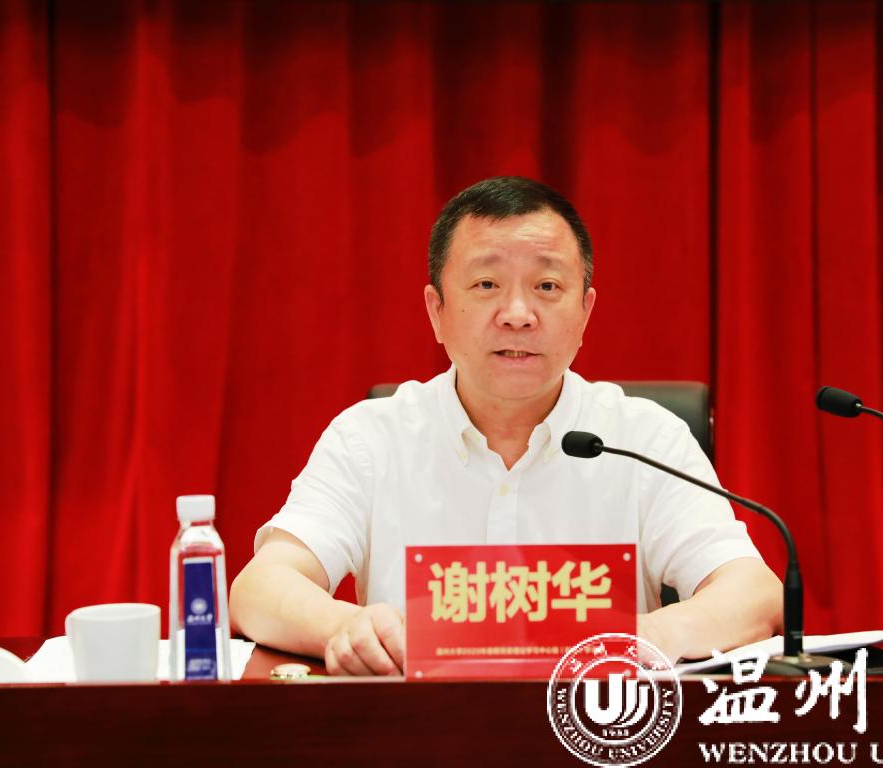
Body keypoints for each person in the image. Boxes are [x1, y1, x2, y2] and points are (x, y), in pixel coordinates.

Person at [230, 176, 781, 676]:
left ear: (585, 313)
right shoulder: (371, 438)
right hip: (417, 734)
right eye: (487, 284)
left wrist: (645, 636)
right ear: (436, 311)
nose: (518, 313)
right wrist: (343, 627)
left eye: (547, 286)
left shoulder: (644, 439)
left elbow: (755, 594)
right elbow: (260, 588)